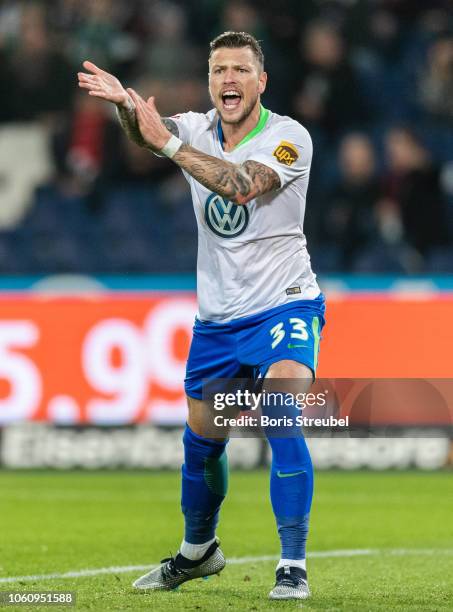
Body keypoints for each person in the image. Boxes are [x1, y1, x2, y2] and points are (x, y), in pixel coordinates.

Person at [78, 30, 325, 601]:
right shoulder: (195, 127)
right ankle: (199, 552)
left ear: (261, 82)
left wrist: (165, 143)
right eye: (218, 71)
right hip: (218, 321)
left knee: (282, 415)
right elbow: (148, 138)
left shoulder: (289, 139)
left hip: (284, 304)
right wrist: (125, 109)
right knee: (202, 443)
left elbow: (240, 186)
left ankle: (292, 562)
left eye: (240, 70)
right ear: (209, 81)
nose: (228, 80)